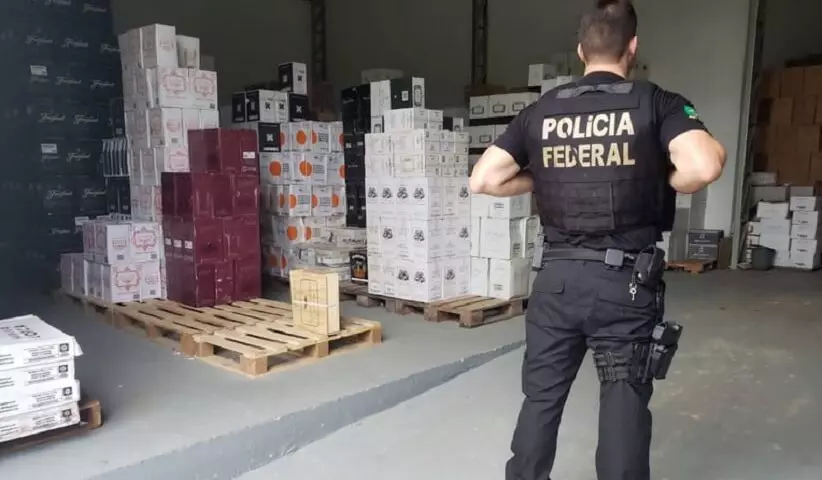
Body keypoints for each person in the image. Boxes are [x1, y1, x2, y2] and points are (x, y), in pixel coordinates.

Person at [468, 1, 727, 479]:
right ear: (633, 47)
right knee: (623, 404)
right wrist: (659, 175)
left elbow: (483, 179)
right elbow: (705, 164)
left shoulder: (542, 111)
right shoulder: (656, 102)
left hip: (557, 281)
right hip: (624, 285)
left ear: (580, 51)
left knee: (541, 399)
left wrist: (541, 176)